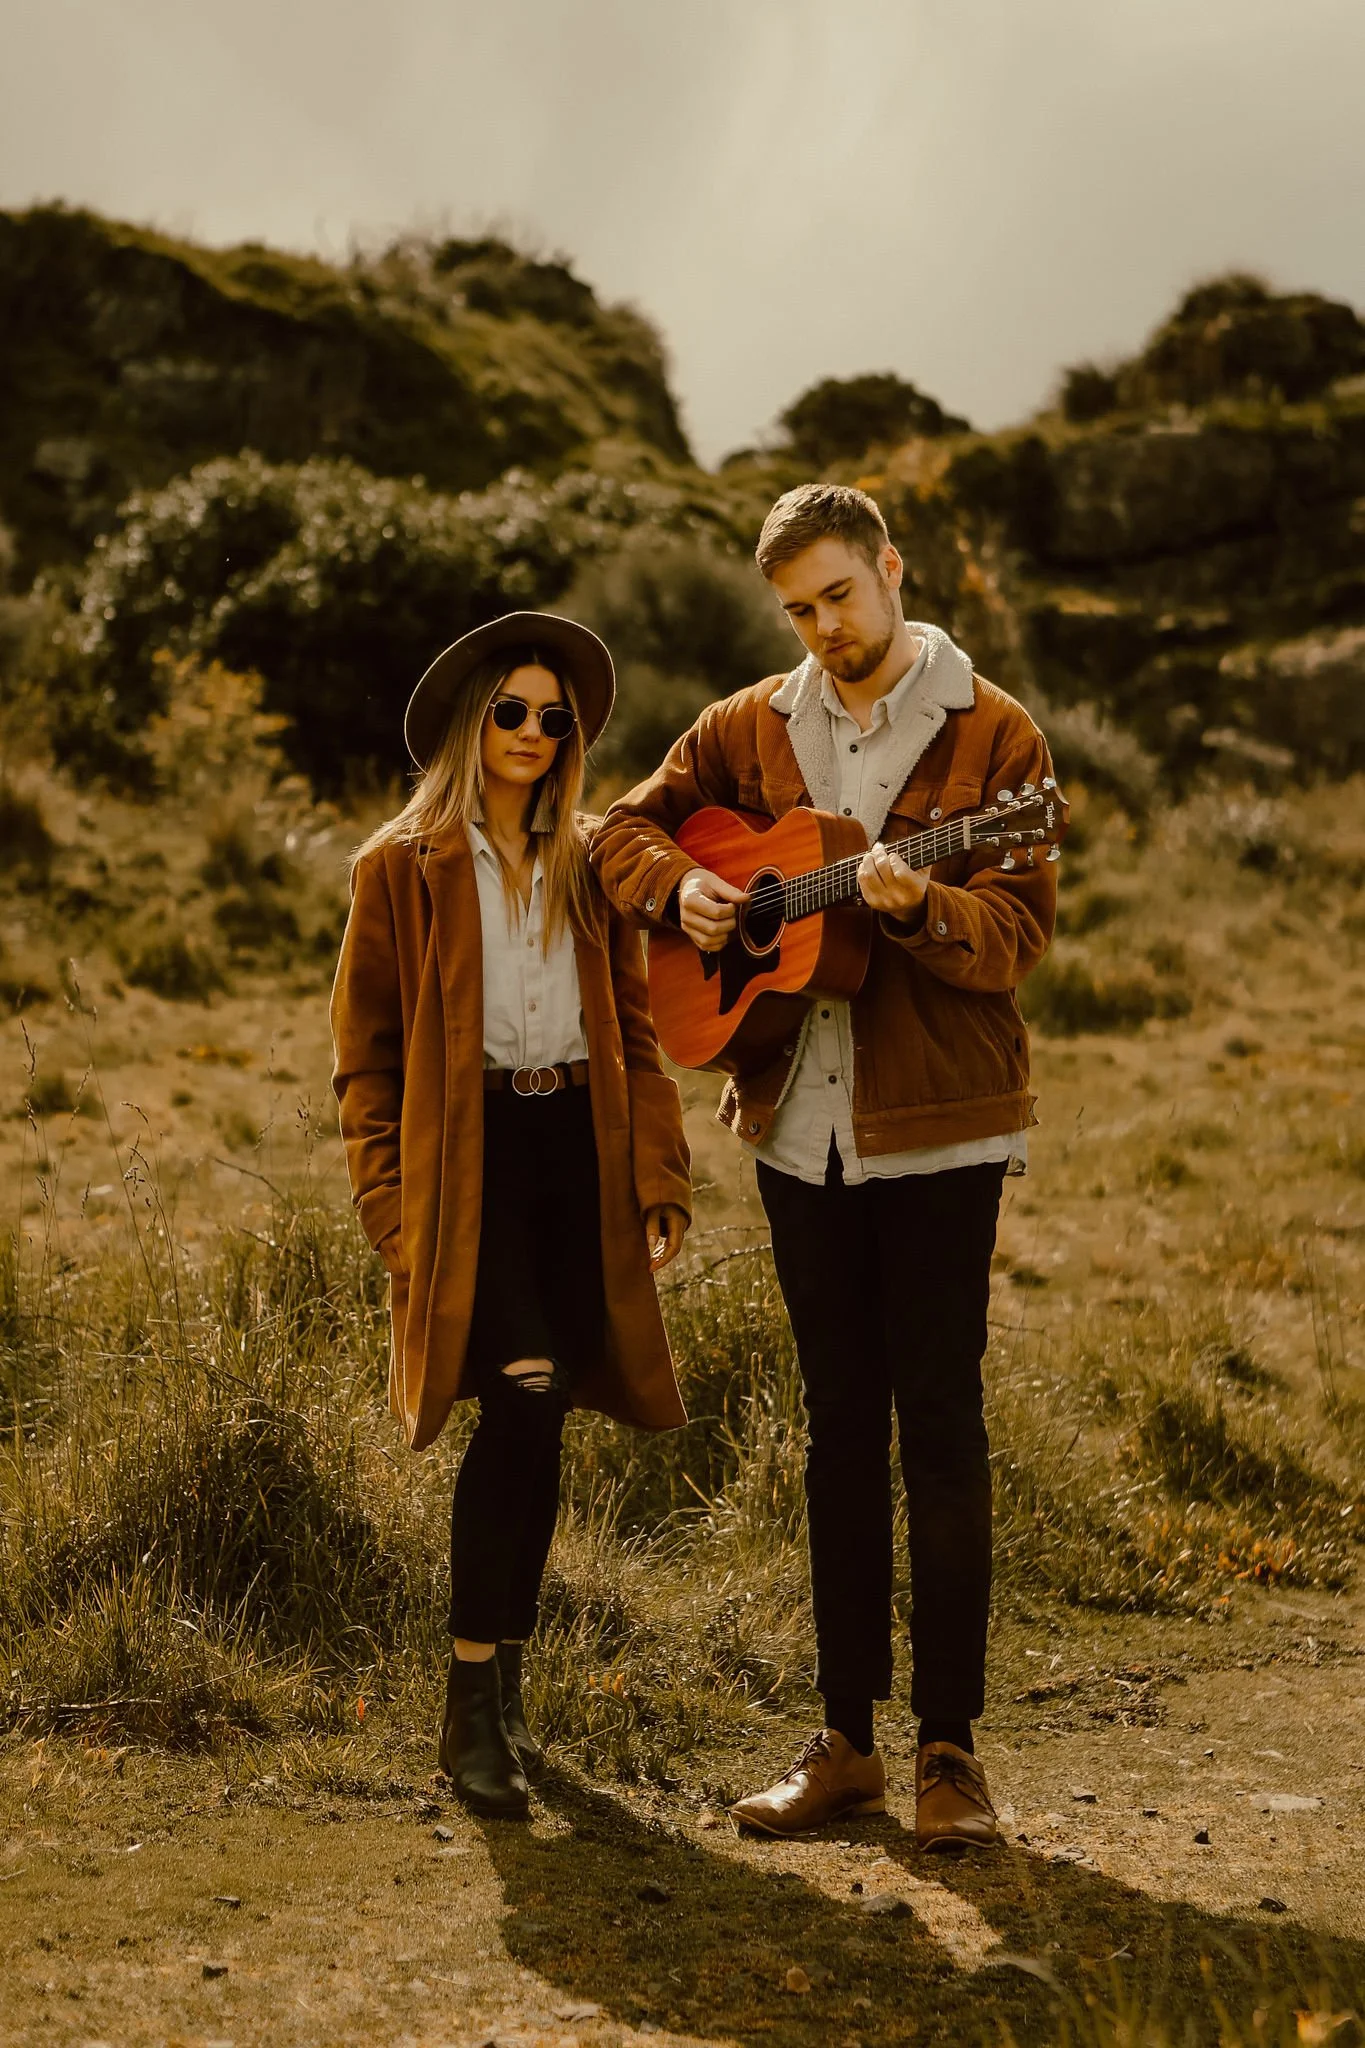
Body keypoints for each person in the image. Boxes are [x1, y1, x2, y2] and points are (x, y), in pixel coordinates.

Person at [591, 485, 1057, 1849]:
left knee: (942, 1424)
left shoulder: (994, 735)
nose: (823, 629)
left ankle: (951, 1757)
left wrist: (924, 907)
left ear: (891, 568)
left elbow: (1015, 937)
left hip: (941, 1127)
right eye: (797, 610)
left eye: (839, 597)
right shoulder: (748, 725)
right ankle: (846, 1741)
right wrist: (678, 891)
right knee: (839, 1431)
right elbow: (617, 829)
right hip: (797, 1127)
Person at [331, 612, 692, 1820]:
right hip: (468, 1165)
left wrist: (660, 1170)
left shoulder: (592, 861)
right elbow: (364, 1066)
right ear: (470, 720)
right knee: (527, 1394)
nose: (536, 733)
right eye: (513, 711)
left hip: (572, 1154)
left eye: (556, 716)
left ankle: (501, 1692)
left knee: (543, 1420)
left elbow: (635, 1030)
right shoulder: (399, 866)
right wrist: (395, 1217)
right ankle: (472, 1701)